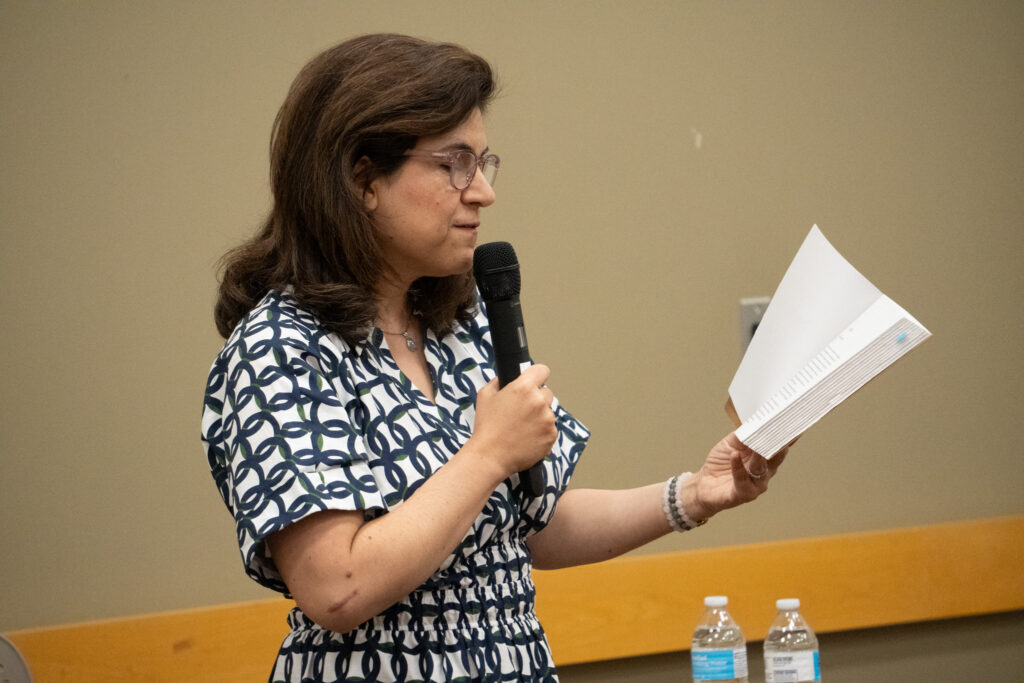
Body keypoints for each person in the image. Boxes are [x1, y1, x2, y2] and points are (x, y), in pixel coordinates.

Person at [201, 33, 788, 683]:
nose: (482, 192)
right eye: (454, 163)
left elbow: (532, 522)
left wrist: (694, 494)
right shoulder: (280, 350)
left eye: (485, 163)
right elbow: (335, 585)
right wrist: (487, 453)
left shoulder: (459, 322)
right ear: (364, 177)